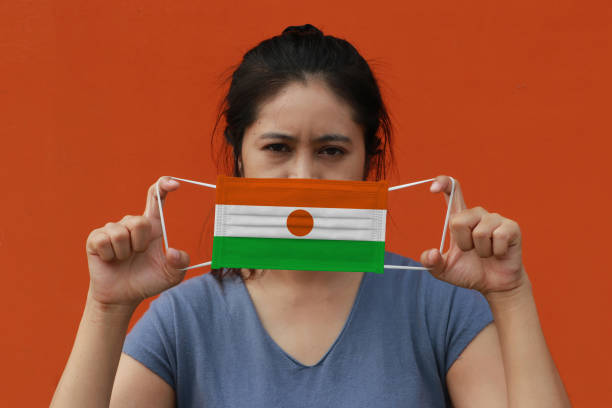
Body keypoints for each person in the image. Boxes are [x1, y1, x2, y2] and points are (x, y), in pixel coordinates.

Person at [51, 25, 571, 407]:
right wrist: (106, 309)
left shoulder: (438, 308)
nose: (304, 176)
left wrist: (510, 294)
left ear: (369, 157)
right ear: (239, 156)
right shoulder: (184, 319)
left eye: (330, 151)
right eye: (276, 147)